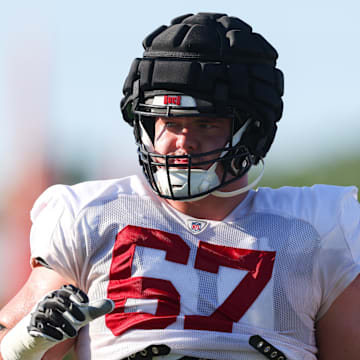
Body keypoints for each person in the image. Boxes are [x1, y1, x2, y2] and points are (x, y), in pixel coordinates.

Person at [0, 12, 360, 360]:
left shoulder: (318, 230)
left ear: (253, 132)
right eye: (170, 123)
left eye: (205, 124)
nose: (183, 143)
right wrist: (24, 346)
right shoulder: (93, 217)